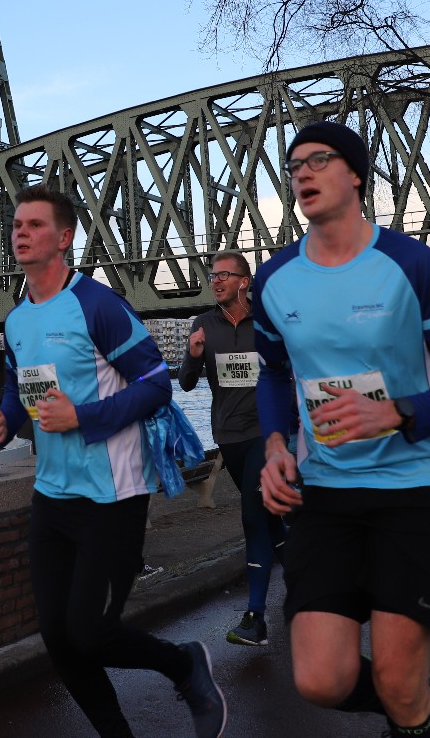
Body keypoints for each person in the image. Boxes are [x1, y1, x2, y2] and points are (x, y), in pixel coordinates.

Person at [255, 120, 430, 738]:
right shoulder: (274, 278)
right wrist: (275, 445)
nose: (302, 172)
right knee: (320, 680)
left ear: (355, 174)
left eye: (319, 160)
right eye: (294, 165)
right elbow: (273, 375)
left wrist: (397, 412)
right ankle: (410, 701)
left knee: (397, 683)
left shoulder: (410, 264)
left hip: (414, 486)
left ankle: (408, 702)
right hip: (327, 493)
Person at [0, 185, 226, 738]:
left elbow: (157, 384)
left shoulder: (97, 305)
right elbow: (23, 390)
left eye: (34, 225)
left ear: (63, 238)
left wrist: (83, 418)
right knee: (57, 637)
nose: (20, 233)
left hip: (111, 496)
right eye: (16, 225)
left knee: (89, 633)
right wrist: (4, 421)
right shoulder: (16, 320)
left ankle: (183, 663)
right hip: (52, 496)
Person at [178, 249, 285, 646]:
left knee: (253, 516)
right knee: (271, 520)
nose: (216, 280)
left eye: (225, 274)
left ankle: (255, 617)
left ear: (244, 282)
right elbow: (186, 382)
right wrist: (193, 356)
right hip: (228, 435)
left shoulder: (267, 322)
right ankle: (311, 589)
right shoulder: (203, 324)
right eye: (213, 275)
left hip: (265, 433)